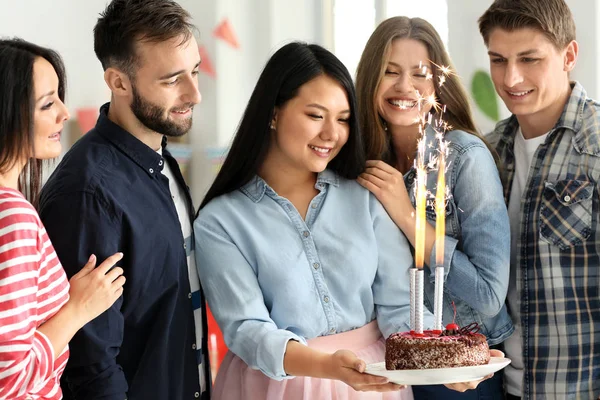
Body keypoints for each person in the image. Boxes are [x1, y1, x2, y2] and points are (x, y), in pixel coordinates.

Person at [194, 41, 424, 400]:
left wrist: (442, 363)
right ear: (273, 113)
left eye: (343, 119)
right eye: (316, 115)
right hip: (274, 387)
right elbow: (247, 329)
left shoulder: (365, 198)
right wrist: (326, 367)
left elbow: (398, 305)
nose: (332, 134)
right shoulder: (220, 221)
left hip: (372, 385)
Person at [37, 1, 210, 399]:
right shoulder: (87, 193)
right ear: (118, 82)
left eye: (195, 72)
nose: (195, 94)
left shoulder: (161, 160)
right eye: (172, 80)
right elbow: (90, 364)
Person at [355, 16, 511, 399]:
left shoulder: (464, 158)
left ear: (438, 83)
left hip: (464, 369)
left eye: (420, 74)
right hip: (387, 360)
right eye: (389, 72)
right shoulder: (362, 160)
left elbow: (488, 295)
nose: (404, 86)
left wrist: (407, 216)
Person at [478, 0, 600, 398]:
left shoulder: (596, 147)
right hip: (502, 388)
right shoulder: (488, 153)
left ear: (569, 55)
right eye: (498, 60)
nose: (511, 78)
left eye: (529, 59)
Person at [0, 38, 125, 400]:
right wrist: (76, 310)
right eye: (46, 104)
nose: (64, 114)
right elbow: (9, 376)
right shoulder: (14, 217)